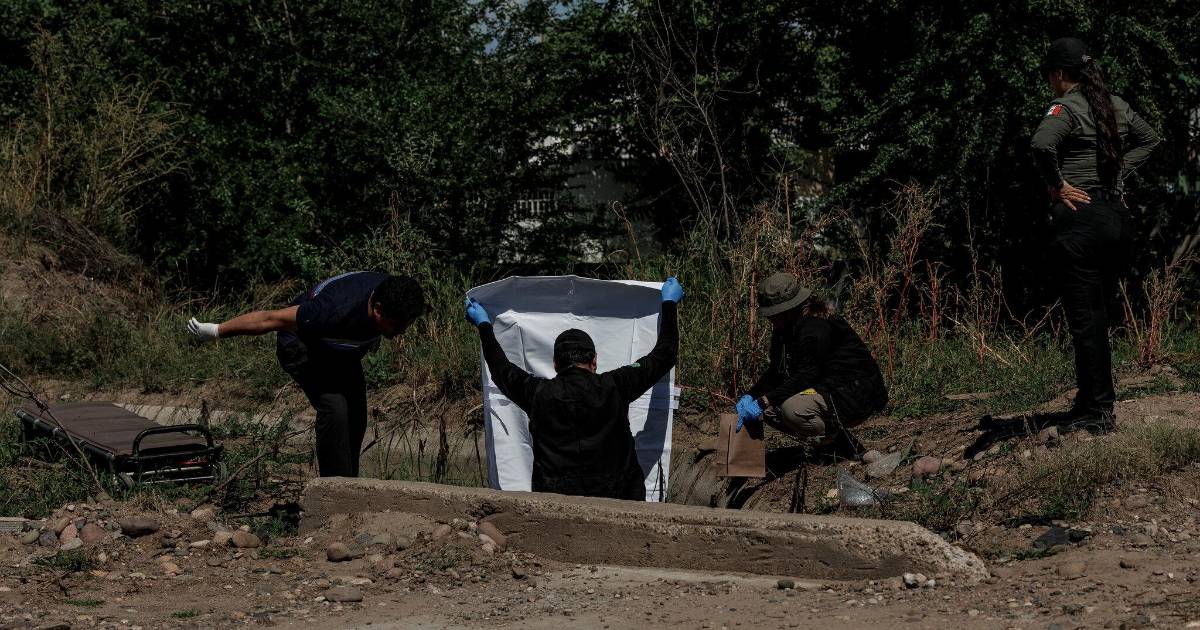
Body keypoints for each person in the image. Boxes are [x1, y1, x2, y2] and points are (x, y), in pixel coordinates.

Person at [1029, 37, 1161, 433]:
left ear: (1058, 74)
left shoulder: (1065, 107)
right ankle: (1091, 401)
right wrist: (1121, 172)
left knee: (1086, 318)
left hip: (1081, 218)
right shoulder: (1115, 104)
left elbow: (1040, 145)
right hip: (1116, 220)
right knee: (1097, 313)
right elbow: (1152, 138)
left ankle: (1098, 411)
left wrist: (1056, 185)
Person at [463, 277, 683, 501]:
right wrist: (668, 304)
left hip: (555, 507)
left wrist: (484, 325)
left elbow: (501, 369)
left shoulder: (538, 393)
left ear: (555, 364)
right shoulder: (615, 386)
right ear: (594, 360)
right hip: (619, 501)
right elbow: (664, 355)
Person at [187, 272, 425, 477]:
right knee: (335, 409)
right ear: (378, 310)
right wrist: (216, 330)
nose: (402, 332)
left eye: (406, 325)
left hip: (340, 350)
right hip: (302, 348)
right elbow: (270, 319)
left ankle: (351, 485)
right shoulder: (331, 310)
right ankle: (334, 493)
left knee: (356, 416)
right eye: (396, 326)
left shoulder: (395, 295)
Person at [734, 272, 887, 458]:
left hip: (854, 391)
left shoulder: (814, 327)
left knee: (791, 408)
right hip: (827, 388)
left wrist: (764, 400)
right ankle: (830, 444)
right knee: (770, 410)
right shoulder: (785, 330)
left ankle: (839, 442)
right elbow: (776, 373)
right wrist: (751, 395)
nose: (770, 319)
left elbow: (807, 375)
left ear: (788, 309)